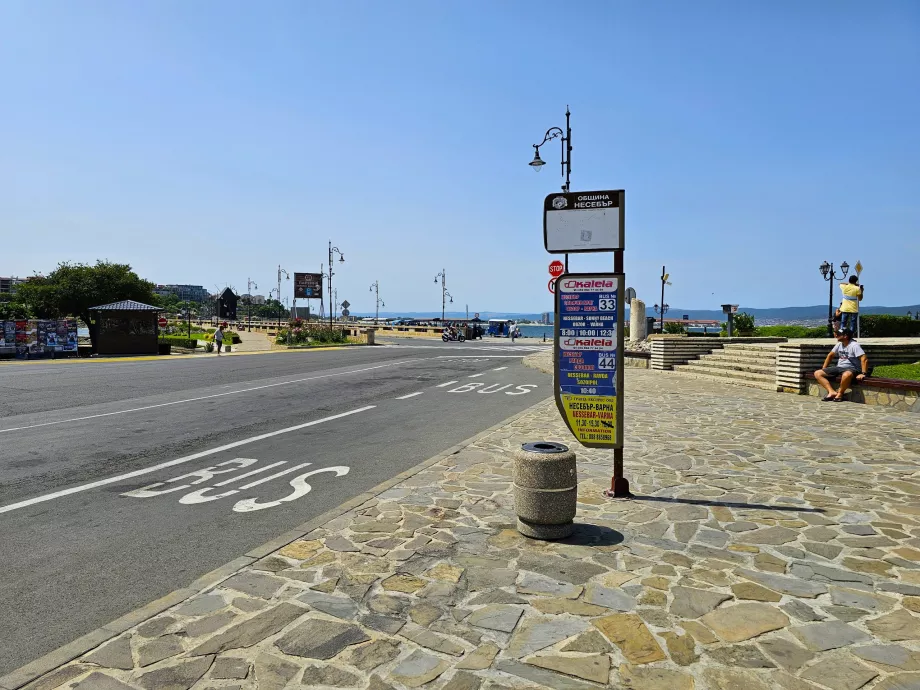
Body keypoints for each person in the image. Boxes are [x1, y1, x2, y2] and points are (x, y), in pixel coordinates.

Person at [813, 328, 870, 401]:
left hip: (852, 368)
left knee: (846, 375)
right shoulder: (839, 344)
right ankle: (831, 392)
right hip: (839, 367)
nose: (836, 335)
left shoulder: (854, 345)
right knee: (817, 373)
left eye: (839, 334)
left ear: (845, 336)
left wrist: (863, 373)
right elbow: (830, 355)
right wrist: (824, 368)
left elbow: (864, 359)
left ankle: (840, 393)